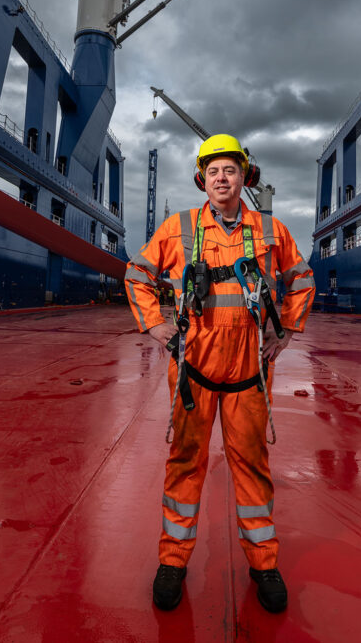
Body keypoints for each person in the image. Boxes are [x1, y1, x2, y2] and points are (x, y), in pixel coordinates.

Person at [125, 134, 315, 613]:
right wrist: (157, 327)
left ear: (243, 176)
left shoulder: (270, 230)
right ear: (201, 180)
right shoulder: (179, 228)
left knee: (252, 465)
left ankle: (264, 564)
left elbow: (302, 278)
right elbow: (136, 275)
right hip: (194, 370)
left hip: (251, 370)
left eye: (230, 170)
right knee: (185, 462)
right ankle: (173, 562)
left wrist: (287, 330)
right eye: (213, 171)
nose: (222, 178)